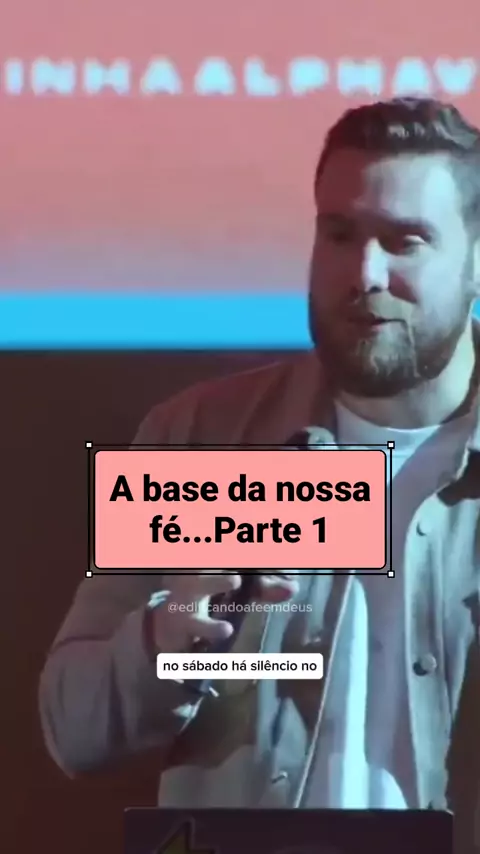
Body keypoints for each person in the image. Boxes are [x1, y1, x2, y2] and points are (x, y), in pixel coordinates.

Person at [39, 97, 480, 847]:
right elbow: (71, 726)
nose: (365, 273)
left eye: (404, 241)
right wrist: (167, 643)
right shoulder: (201, 441)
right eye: (339, 234)